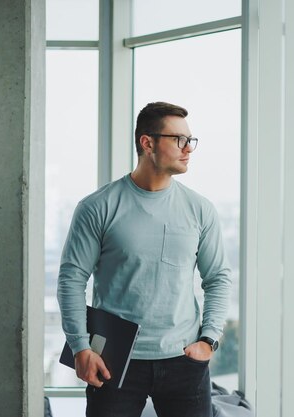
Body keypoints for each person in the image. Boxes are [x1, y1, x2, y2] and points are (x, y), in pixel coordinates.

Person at [57, 101, 232, 417]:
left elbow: (218, 277)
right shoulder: (97, 207)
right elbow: (71, 279)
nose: (188, 149)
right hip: (114, 360)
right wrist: (81, 347)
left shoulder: (200, 209)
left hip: (184, 359)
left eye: (190, 140)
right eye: (178, 139)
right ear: (147, 142)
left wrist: (209, 340)